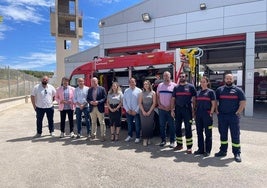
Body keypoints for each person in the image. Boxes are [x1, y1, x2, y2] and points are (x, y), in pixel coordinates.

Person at [215, 73, 246, 163]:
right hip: (222, 116)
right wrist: (216, 111)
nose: (229, 80)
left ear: (233, 80)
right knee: (223, 134)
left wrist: (238, 112)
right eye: (227, 78)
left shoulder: (238, 90)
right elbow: (215, 101)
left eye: (230, 78)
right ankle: (223, 151)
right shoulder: (219, 90)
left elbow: (243, 102)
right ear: (224, 79)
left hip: (233, 116)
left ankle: (237, 153)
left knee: (235, 135)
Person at [171, 72, 196, 154]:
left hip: (187, 109)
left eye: (183, 76)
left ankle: (189, 147)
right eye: (180, 76)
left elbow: (194, 99)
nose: (181, 77)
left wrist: (193, 110)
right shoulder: (176, 87)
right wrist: (172, 110)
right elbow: (173, 99)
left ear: (186, 77)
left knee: (188, 128)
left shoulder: (191, 87)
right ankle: (179, 145)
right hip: (178, 109)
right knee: (177, 128)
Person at [194, 76, 216, 157]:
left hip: (207, 114)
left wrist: (211, 113)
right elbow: (196, 104)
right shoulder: (198, 92)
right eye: (201, 82)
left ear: (207, 83)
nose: (202, 83)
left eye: (204, 82)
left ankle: (207, 150)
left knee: (208, 133)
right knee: (199, 133)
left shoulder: (211, 92)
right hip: (199, 114)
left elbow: (214, 103)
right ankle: (200, 149)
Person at [157, 71, 176, 147]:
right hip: (161, 109)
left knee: (172, 125)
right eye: (164, 76)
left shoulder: (174, 85)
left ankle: (172, 141)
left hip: (170, 109)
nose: (166, 77)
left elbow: (175, 98)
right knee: (162, 125)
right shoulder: (160, 85)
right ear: (163, 77)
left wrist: (171, 108)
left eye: (167, 76)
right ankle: (163, 140)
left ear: (170, 76)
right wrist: (160, 105)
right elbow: (157, 97)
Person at [87, 77, 107, 141]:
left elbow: (105, 98)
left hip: (99, 107)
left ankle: (103, 136)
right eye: (91, 81)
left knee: (102, 122)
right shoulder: (90, 90)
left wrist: (98, 102)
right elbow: (87, 98)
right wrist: (90, 102)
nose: (92, 83)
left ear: (97, 81)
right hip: (92, 108)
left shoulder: (102, 89)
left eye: (94, 81)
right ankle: (93, 135)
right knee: (93, 122)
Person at [123, 77, 142, 143]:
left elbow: (140, 102)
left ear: (135, 83)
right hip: (128, 111)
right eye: (130, 82)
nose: (132, 83)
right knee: (129, 124)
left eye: (133, 82)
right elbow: (124, 101)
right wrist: (127, 110)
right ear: (129, 83)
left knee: (137, 125)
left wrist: (136, 110)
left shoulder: (139, 91)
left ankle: (137, 137)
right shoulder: (126, 91)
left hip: (136, 111)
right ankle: (129, 135)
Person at [139, 80, 156, 146]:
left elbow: (154, 103)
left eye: (147, 84)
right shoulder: (141, 93)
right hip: (143, 110)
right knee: (144, 125)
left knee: (150, 125)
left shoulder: (153, 93)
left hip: (150, 110)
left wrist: (149, 111)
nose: (146, 85)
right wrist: (143, 111)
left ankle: (149, 138)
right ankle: (144, 139)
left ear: (149, 85)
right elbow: (140, 103)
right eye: (144, 84)